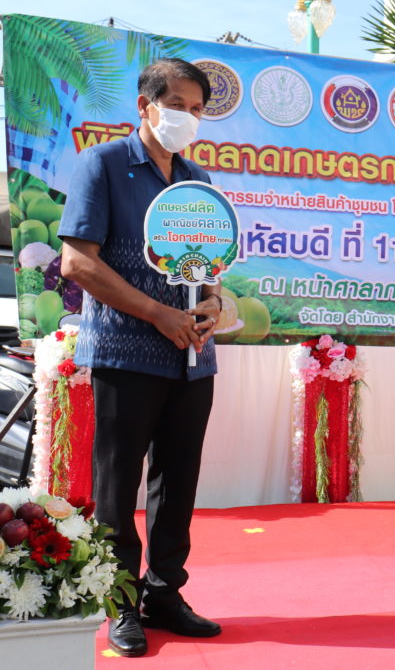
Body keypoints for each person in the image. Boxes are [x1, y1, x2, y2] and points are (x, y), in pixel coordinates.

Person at [59, 59, 224, 656]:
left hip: (192, 359)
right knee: (117, 486)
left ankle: (164, 592)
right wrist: (158, 313)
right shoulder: (103, 164)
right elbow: (78, 263)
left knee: (177, 484)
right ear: (145, 106)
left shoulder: (197, 180)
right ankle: (120, 601)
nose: (188, 118)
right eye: (177, 105)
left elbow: (208, 267)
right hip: (126, 354)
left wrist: (212, 301)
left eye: (197, 109)